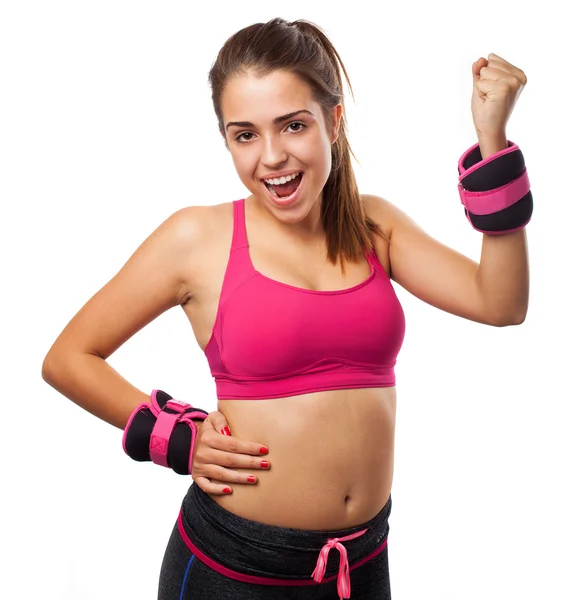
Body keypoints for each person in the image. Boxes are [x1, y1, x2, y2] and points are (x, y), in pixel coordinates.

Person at [41, 17, 531, 600]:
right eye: (244, 135)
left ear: (333, 120)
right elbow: (69, 357)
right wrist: (178, 437)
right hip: (234, 568)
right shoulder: (196, 238)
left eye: (292, 126)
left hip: (362, 562)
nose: (271, 157)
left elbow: (500, 302)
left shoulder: (376, 227)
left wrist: (493, 142)